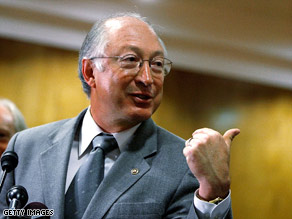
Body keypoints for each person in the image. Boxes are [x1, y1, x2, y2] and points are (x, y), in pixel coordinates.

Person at [0, 13, 240, 218]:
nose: (147, 78)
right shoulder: (26, 146)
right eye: (131, 60)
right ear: (90, 71)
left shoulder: (185, 164)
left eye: (157, 64)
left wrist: (213, 192)